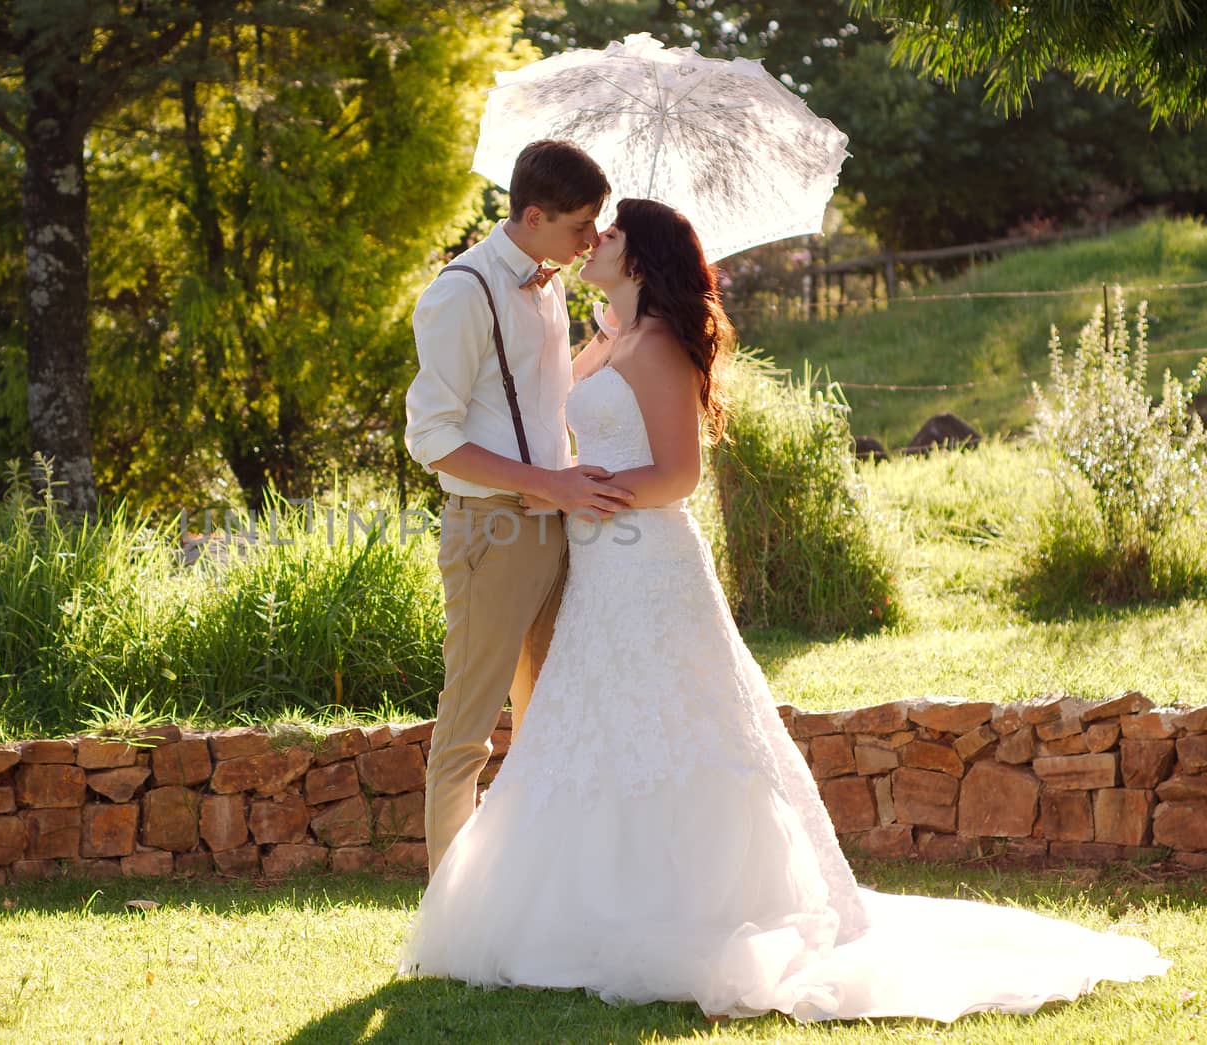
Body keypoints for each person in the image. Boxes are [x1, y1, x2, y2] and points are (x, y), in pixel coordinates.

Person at [397, 198, 1170, 1021]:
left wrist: (598, 495)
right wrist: (586, 372)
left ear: (639, 260)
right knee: (594, 723)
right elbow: (555, 413)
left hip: (645, 563)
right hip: (598, 569)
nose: (594, 241)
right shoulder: (611, 338)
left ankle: (696, 909)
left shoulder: (657, 347)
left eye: (611, 234)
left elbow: (678, 476)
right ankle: (573, 907)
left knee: (677, 724)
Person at [404, 140, 632, 876]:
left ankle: (531, 898)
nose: (590, 241)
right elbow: (431, 439)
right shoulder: (458, 293)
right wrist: (552, 486)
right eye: (579, 227)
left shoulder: (551, 281)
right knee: (469, 730)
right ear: (533, 216)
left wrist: (605, 343)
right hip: (493, 529)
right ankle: (448, 915)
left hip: (556, 525)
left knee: (550, 722)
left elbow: (544, 396)